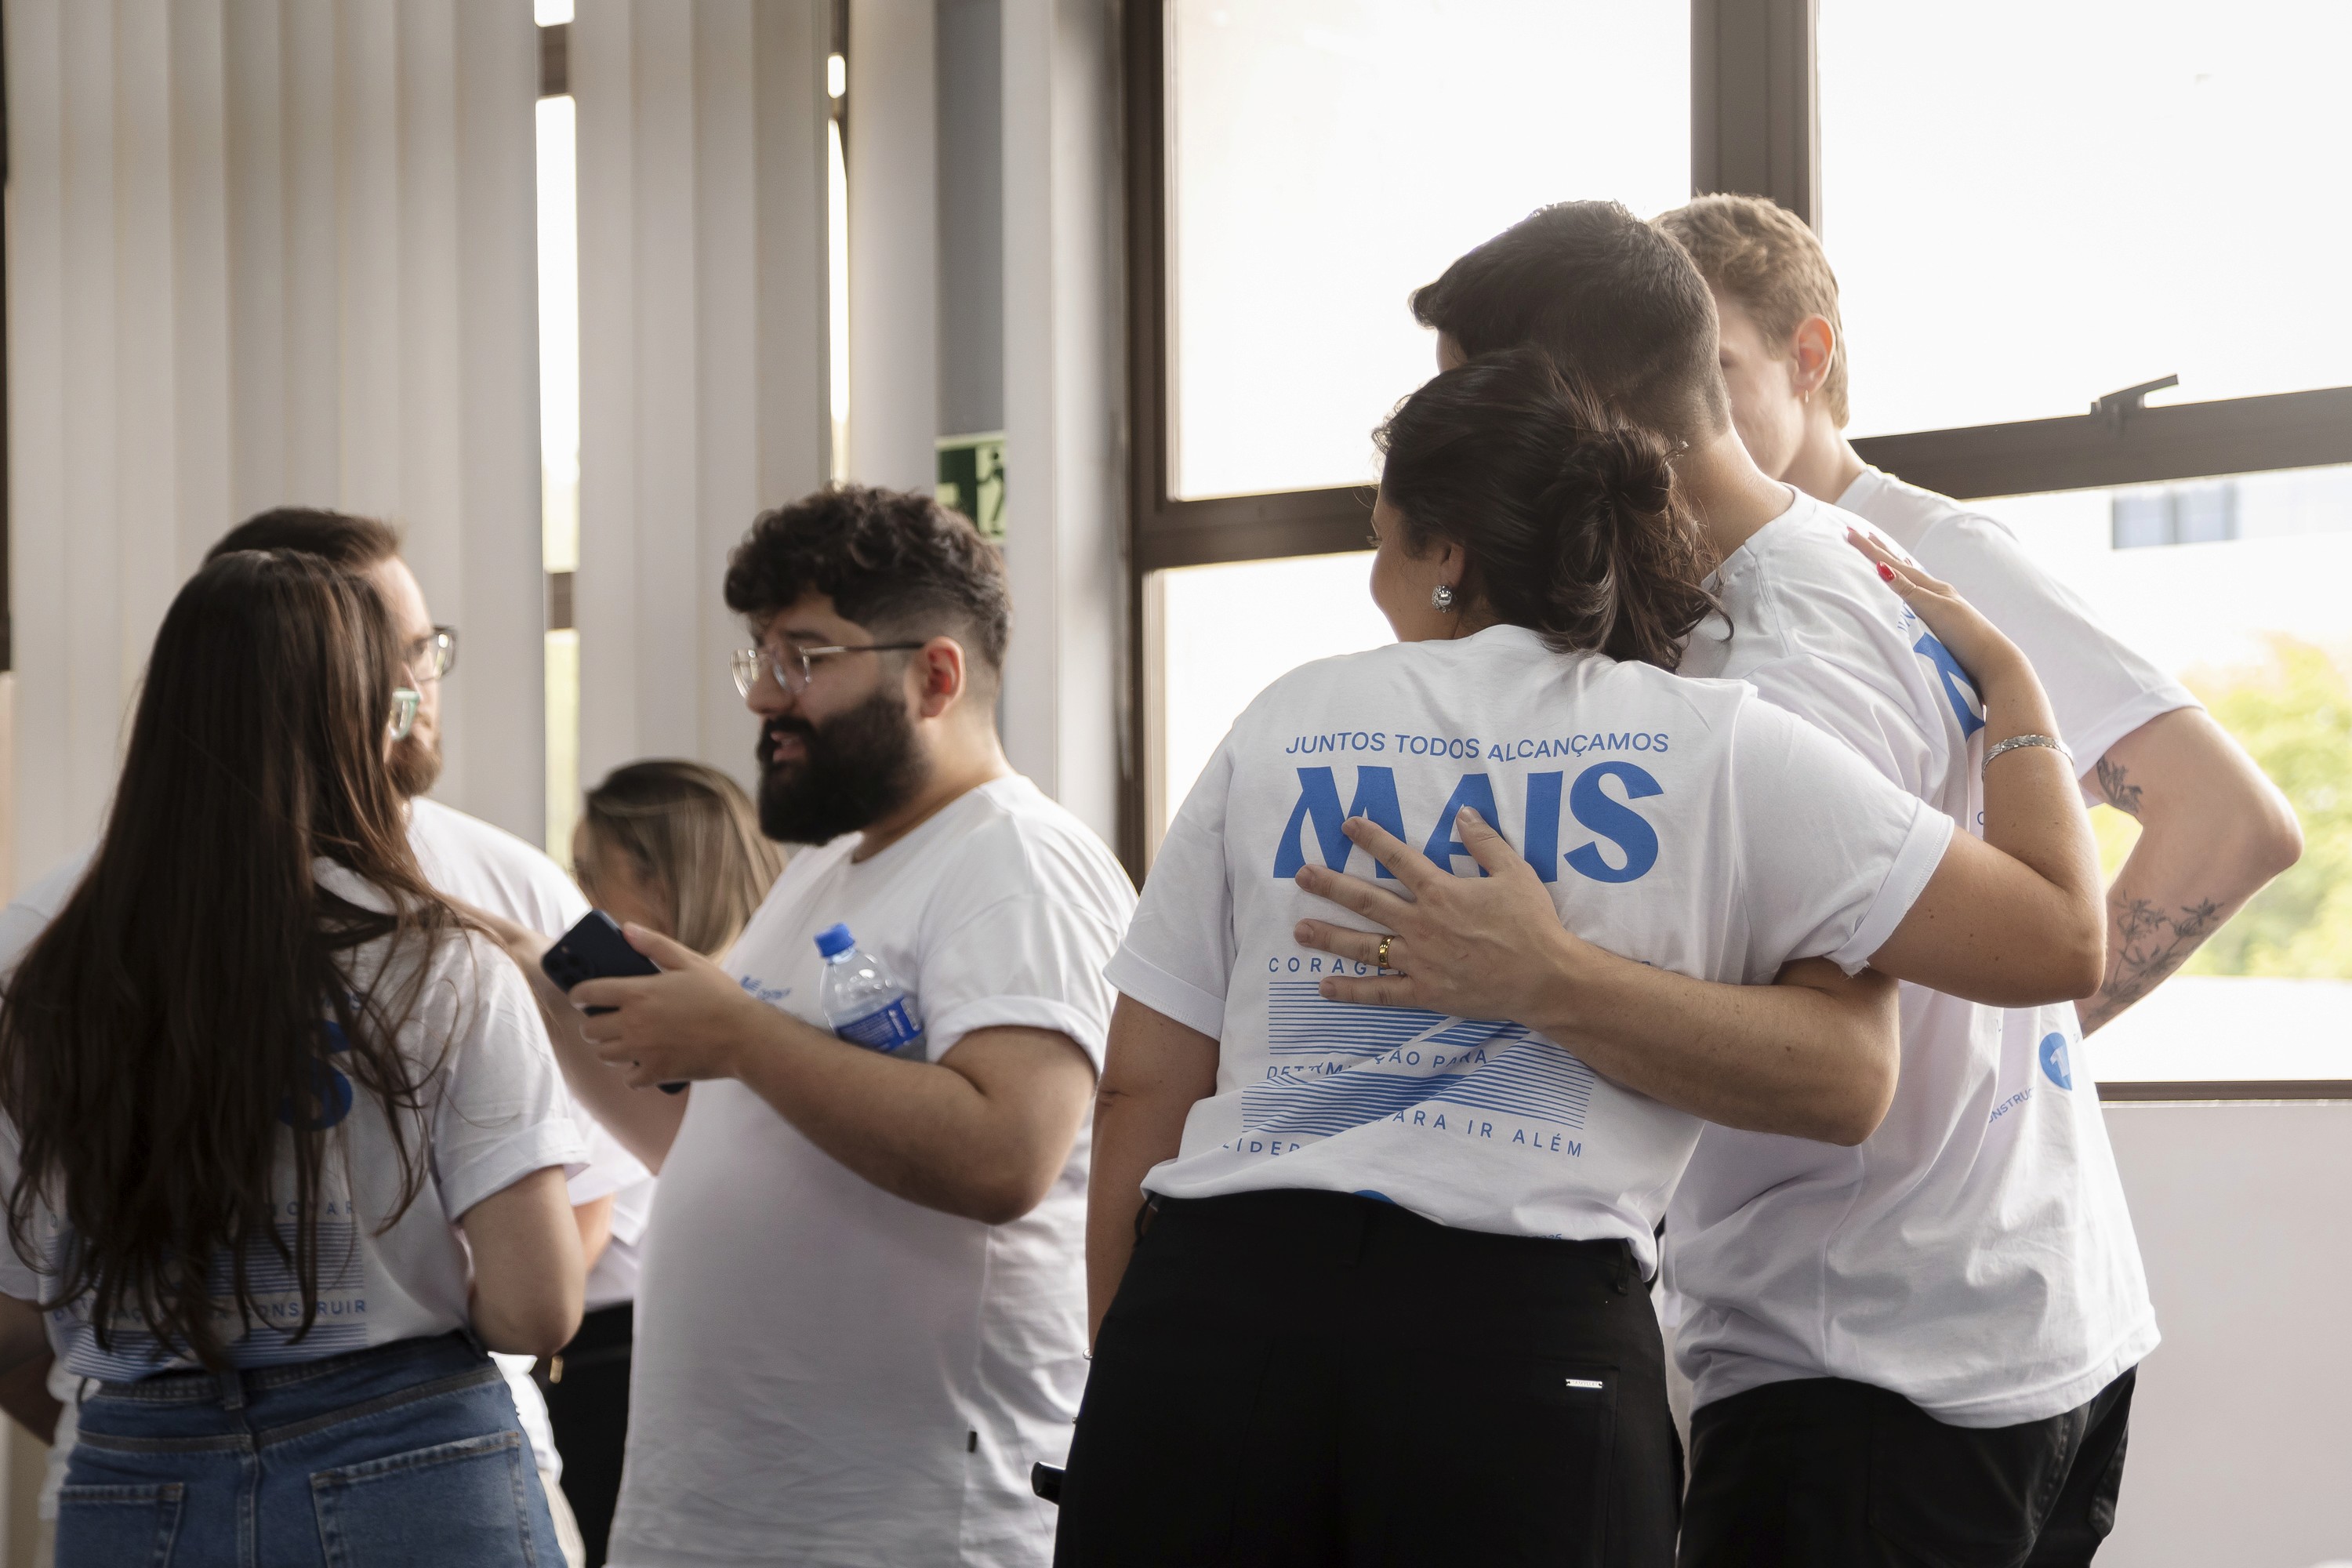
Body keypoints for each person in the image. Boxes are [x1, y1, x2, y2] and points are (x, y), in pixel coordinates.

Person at [1284, 198, 2223, 1565]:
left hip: (1875, 1376)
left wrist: (1536, 974)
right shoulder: (1822, 559)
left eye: (1485, 413)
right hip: (2002, 1319)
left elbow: (1857, 1053)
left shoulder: (1765, 662)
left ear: (1585, 411)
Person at [1056, 348, 2103, 1565]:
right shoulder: (1714, 745)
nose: (1376, 580)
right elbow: (2057, 937)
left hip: (1210, 1323)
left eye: (1385, 540)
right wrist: (2017, 689)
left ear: (1448, 553)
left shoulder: (1287, 718)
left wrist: (1135, 1375)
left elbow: (1143, 1085)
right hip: (1515, 1359)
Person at [1638, 191, 2305, 1565]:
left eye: (1717, 380)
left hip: (1913, 1346)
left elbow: (2224, 822)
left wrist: (2016, 1037)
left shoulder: (1926, 557)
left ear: (1811, 356)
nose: (1668, 429)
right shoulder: (1719, 596)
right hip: (1940, 1327)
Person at [499, 487, 1136, 1568]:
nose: (765, 700)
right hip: (733, 1512)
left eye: (805, 658)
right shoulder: (826, 873)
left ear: (934, 675)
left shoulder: (1017, 865)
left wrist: (742, 1034)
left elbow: (1004, 1153)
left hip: (910, 1522)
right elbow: (712, 1142)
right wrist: (538, 985)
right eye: (758, 658)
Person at [0, 507, 643, 1568]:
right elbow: (537, 1306)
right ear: (358, 715)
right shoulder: (444, 957)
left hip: (137, 1477)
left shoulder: (48, 978)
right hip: (416, 1463)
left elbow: (16, 1316)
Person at [535, 759, 786, 1566]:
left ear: (663, 878)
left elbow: (589, 1217)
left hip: (616, 1351)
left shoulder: (656, 1022)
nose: (579, 900)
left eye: (591, 873)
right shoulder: (765, 1000)